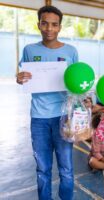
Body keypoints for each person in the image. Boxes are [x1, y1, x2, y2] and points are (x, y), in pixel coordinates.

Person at [16, 6, 78, 200]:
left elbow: (76, 81)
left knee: (66, 168)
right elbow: (24, 76)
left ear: (60, 27)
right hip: (39, 118)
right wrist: (20, 78)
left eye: (54, 24)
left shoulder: (71, 51)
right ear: (38, 25)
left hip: (63, 117)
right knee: (42, 169)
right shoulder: (29, 50)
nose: (49, 28)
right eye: (45, 23)